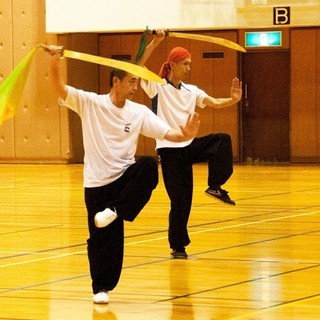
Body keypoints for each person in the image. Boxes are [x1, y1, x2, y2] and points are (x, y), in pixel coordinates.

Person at [44, 45, 200, 304]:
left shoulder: (137, 112)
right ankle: (99, 288)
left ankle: (116, 210)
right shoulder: (91, 103)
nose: (136, 87)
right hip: (96, 184)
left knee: (149, 167)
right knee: (101, 241)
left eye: (137, 82)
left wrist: (185, 135)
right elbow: (60, 88)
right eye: (132, 82)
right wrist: (53, 61)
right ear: (116, 81)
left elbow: (168, 134)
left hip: (123, 182)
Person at [137, 30, 242, 259]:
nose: (188, 67)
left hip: (189, 145)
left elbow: (213, 102)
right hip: (169, 150)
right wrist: (156, 41)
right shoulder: (157, 87)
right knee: (180, 201)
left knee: (222, 140)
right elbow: (138, 64)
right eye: (185, 63)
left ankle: (215, 185)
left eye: (190, 64)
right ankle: (178, 247)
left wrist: (232, 100)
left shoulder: (191, 90)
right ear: (173, 65)